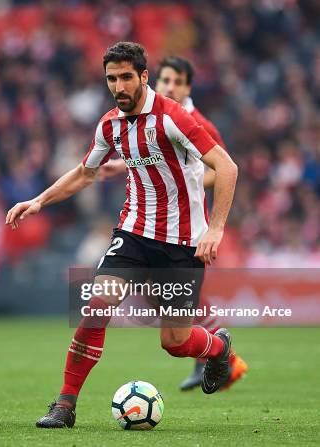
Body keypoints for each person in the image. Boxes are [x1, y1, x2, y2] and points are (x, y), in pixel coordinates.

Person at [6, 42, 238, 428]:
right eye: (112, 78)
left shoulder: (172, 117)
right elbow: (85, 172)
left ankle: (219, 347)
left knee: (175, 342)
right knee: (96, 308)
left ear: (144, 77)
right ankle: (65, 404)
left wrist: (215, 229)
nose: (119, 86)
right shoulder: (109, 124)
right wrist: (39, 201)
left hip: (182, 243)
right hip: (132, 234)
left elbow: (227, 168)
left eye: (126, 77)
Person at [100, 56, 248, 392]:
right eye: (166, 80)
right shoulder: (153, 117)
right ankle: (213, 352)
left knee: (178, 297)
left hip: (189, 226)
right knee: (155, 293)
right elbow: (155, 160)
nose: (170, 87)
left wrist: (189, 181)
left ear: (188, 87)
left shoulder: (195, 121)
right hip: (155, 225)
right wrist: (123, 168)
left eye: (178, 82)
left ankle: (224, 356)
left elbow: (220, 168)